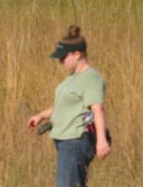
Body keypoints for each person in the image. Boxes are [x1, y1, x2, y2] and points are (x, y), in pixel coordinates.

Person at [27, 25, 110, 187]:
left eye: (63, 57)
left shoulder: (91, 78)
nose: (60, 61)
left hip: (76, 141)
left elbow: (97, 109)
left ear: (77, 54)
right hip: (65, 141)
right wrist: (41, 116)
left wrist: (101, 140)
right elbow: (63, 106)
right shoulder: (72, 77)